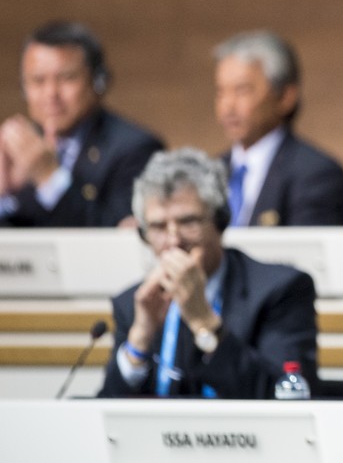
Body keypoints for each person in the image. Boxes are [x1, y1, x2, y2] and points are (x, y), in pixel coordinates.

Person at [99, 147, 319, 399]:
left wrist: (203, 320)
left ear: (221, 221)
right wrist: (139, 341)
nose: (173, 241)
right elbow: (107, 417)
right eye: (158, 226)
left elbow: (283, 395)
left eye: (188, 222)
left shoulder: (280, 290)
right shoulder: (133, 303)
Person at [0, 21, 164, 227]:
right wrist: (4, 195)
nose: (51, 94)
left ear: (98, 82)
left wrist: (50, 179)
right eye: (38, 81)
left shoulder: (136, 149)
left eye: (66, 78)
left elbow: (118, 241)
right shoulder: (18, 148)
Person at [213, 30, 343, 226]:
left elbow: (305, 254)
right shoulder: (210, 172)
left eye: (242, 90)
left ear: (286, 96)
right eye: (220, 92)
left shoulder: (316, 174)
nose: (228, 106)